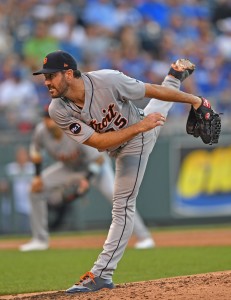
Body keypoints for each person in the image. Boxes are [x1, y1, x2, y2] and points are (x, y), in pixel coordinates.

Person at [32, 50, 204, 293]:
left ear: (69, 74)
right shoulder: (57, 110)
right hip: (130, 133)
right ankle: (175, 74)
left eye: (51, 76)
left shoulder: (108, 80)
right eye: (44, 77)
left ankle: (102, 273)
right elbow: (100, 143)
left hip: (137, 140)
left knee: (122, 206)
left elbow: (149, 90)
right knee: (154, 113)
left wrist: (195, 101)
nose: (46, 81)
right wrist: (142, 125)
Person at [19, 107, 155, 251]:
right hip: (68, 168)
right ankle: (40, 240)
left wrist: (86, 179)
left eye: (51, 117)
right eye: (46, 118)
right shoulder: (41, 131)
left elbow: (98, 160)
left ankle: (144, 237)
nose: (48, 121)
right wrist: (37, 177)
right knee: (35, 190)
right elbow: (35, 151)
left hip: (95, 167)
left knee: (118, 197)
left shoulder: (73, 129)